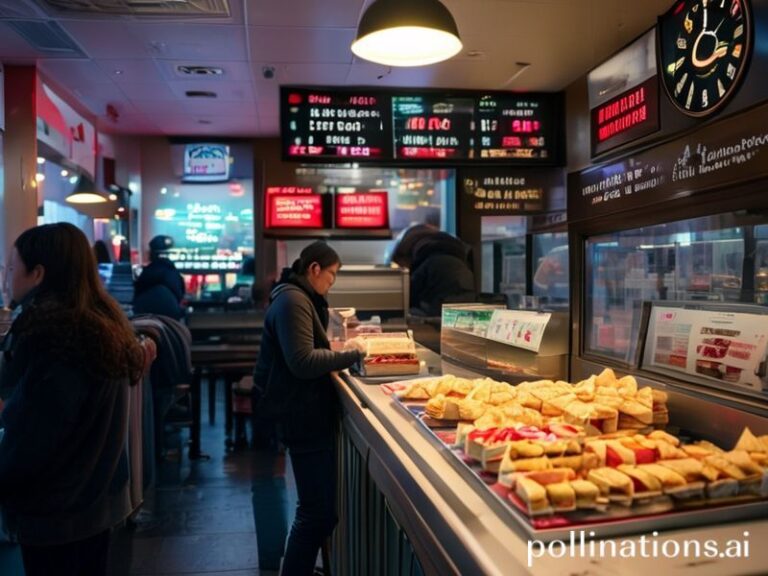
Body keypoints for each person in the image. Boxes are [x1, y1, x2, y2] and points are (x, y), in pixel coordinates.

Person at [0, 222, 144, 576]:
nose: (6, 277)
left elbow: (37, 435)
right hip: (95, 504)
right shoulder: (102, 324)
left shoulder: (55, 335)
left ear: (37, 274)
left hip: (56, 510)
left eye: (10, 267)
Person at [252, 241, 365, 576]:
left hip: (303, 412)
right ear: (314, 269)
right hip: (302, 414)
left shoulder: (295, 297)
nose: (332, 282)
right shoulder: (292, 301)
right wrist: (354, 352)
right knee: (317, 513)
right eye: (331, 275)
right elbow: (302, 361)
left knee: (316, 510)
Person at [409, 231, 476, 316]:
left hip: (441, 308)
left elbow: (412, 291)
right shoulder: (461, 262)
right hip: (467, 305)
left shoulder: (430, 262)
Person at [133, 235, 186, 320]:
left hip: (145, 322)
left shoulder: (146, 273)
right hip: (172, 324)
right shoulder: (174, 273)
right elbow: (180, 296)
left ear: (151, 253)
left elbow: (136, 297)